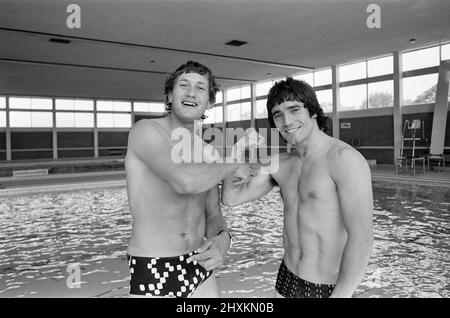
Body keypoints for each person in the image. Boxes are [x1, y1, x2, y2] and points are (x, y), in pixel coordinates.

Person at [222, 77, 374, 298]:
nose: (287, 121)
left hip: (327, 288)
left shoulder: (343, 159)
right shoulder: (280, 163)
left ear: (313, 112)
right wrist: (236, 152)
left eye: (294, 110)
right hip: (287, 280)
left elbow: (362, 238)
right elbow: (230, 198)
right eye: (278, 115)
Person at [125, 60, 258, 297]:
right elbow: (184, 181)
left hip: (199, 266)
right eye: (183, 85)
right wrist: (234, 159)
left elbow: (213, 215)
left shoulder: (207, 152)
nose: (191, 93)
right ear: (169, 95)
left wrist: (223, 241)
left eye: (200, 88)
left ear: (208, 101)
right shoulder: (145, 131)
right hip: (155, 266)